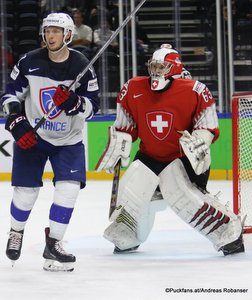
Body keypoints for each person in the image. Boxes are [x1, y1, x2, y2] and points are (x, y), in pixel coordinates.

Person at [96, 44, 244, 256]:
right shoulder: (134, 87)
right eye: (154, 66)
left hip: (182, 158)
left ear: (174, 68)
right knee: (132, 187)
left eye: (162, 67)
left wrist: (200, 139)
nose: (156, 71)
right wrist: (120, 141)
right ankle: (128, 233)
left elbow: (208, 125)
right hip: (149, 155)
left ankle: (228, 231)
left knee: (179, 193)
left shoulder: (194, 90)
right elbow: (126, 123)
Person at [0, 12, 99, 272]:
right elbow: (10, 94)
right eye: (48, 31)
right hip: (35, 135)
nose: (51, 35)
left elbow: (93, 107)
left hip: (69, 139)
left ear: (68, 34)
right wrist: (15, 120)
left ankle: (53, 243)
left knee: (69, 188)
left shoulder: (82, 65)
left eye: (56, 31)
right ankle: (16, 231)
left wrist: (75, 103)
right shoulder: (29, 61)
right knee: (26, 192)